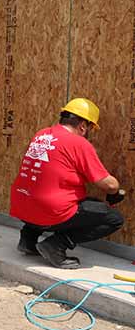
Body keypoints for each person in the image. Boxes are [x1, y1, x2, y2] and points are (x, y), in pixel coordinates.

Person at [10, 98, 124, 269]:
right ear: (83, 126)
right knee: (113, 218)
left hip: (22, 205)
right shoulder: (78, 142)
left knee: (48, 197)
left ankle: (28, 240)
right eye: (91, 128)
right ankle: (56, 245)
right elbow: (110, 185)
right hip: (49, 211)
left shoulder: (42, 134)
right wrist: (115, 192)